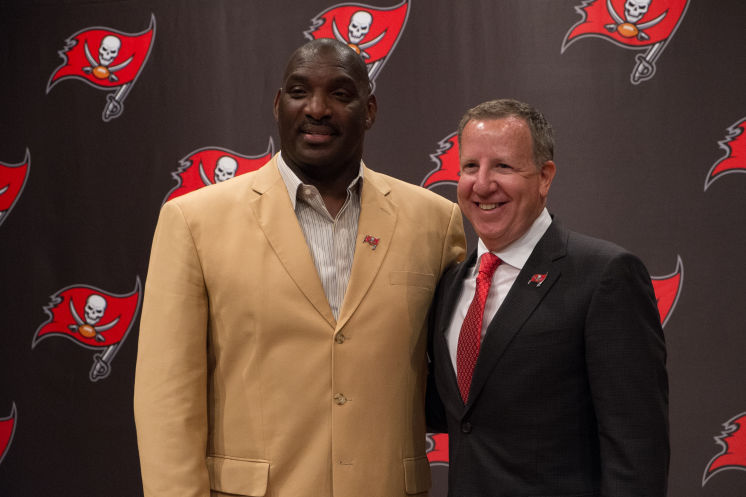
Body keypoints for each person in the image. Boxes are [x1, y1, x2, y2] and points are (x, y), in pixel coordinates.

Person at [134, 39, 465, 497]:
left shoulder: (434, 220)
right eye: (298, 91)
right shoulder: (193, 221)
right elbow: (166, 400)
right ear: (277, 104)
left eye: (341, 94)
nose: (317, 108)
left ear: (369, 110)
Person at [427, 99, 669, 496]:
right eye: (471, 166)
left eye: (502, 166)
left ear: (544, 177)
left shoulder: (605, 275)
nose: (482, 184)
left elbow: (637, 447)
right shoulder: (452, 283)